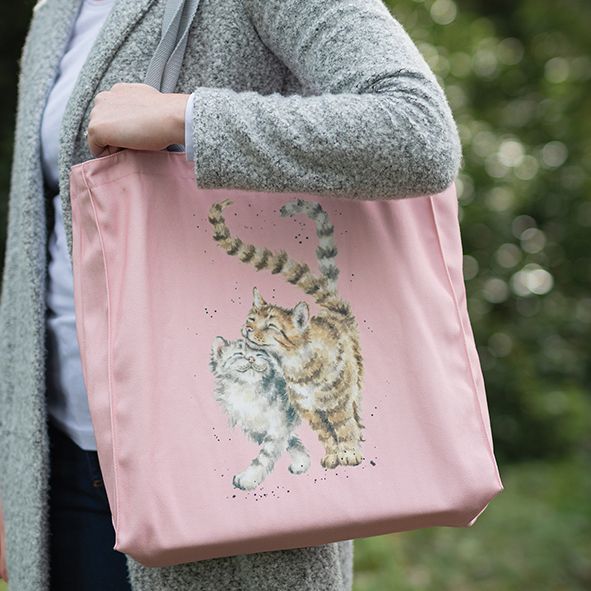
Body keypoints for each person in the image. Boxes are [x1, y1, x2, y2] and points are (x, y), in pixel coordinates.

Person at [0, 0, 463, 589]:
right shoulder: (55, 11)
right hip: (58, 474)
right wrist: (14, 478)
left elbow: (417, 130)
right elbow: (33, 258)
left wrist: (187, 118)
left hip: (225, 476)